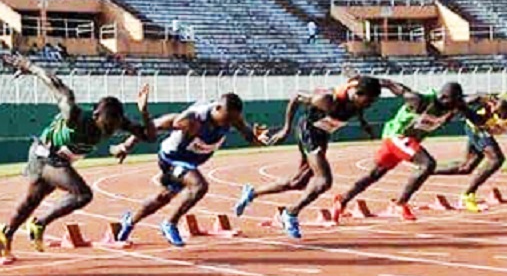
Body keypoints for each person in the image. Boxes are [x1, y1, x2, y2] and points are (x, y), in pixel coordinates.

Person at [0, 54, 155, 258]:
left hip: (60, 159)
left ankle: (6, 232)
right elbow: (58, 87)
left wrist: (144, 112)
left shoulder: (118, 122)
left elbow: (149, 137)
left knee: (31, 201)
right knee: (82, 194)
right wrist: (29, 65)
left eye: (114, 127)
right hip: (45, 154)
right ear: (96, 115)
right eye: (106, 125)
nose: (110, 130)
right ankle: (39, 224)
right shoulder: (75, 116)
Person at [234, 76, 389, 239]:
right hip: (308, 132)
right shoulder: (327, 99)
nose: (369, 105)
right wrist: (285, 128)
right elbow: (297, 96)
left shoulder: (358, 101)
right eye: (368, 101)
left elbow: (358, 109)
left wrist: (364, 124)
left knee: (299, 182)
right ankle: (290, 213)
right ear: (357, 94)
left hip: (322, 135)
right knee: (323, 181)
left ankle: (252, 192)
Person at [112, 93, 270, 247]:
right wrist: (126, 146)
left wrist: (258, 140)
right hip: (171, 158)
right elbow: (156, 125)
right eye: (227, 118)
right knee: (199, 186)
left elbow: (249, 135)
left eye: (232, 119)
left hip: (189, 163)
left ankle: (130, 221)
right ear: (218, 108)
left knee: (163, 197)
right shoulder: (194, 119)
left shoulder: (232, 119)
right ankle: (170, 223)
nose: (228, 123)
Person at [333, 81, 472, 222]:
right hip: (398, 136)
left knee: (374, 174)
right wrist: (369, 82)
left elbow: (473, 114)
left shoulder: (454, 105)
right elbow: (396, 87)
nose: (456, 104)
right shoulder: (420, 100)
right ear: (443, 97)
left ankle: (342, 199)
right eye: (454, 101)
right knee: (427, 164)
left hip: (400, 143)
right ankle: (400, 203)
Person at [435, 87, 507, 211]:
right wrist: (451, 112)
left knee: (466, 167)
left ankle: (428, 171)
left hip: (485, 128)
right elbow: (480, 96)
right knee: (496, 159)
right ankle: (467, 196)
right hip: (479, 128)